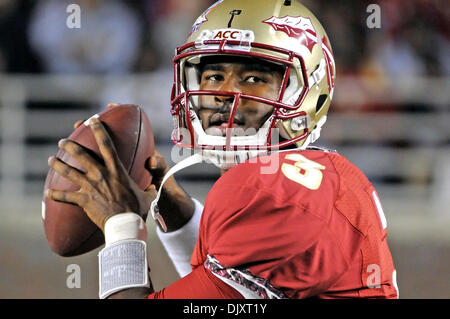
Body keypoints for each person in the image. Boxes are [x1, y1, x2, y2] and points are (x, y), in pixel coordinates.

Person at [45, 0, 399, 299]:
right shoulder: (327, 175)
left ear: (306, 92)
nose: (224, 92)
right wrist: (167, 203)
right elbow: (226, 290)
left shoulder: (271, 194)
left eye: (254, 78)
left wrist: (120, 222)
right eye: (214, 76)